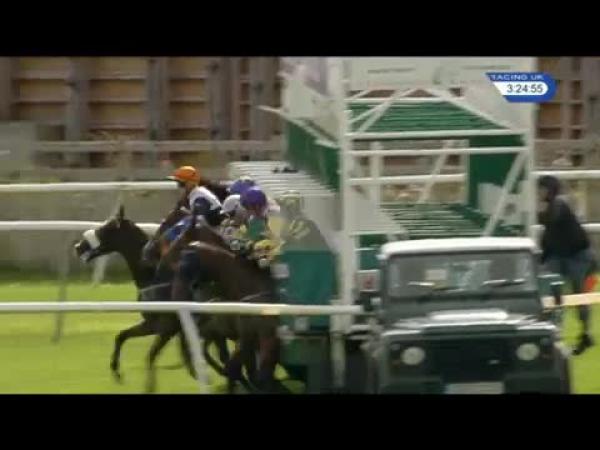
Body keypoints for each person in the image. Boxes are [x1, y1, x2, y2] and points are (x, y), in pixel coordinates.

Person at [538, 174, 598, 355]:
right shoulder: (553, 205)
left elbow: (551, 220)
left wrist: (539, 213)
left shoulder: (559, 204)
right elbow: (550, 235)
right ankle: (553, 332)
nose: (539, 192)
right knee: (551, 292)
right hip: (562, 255)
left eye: (542, 188)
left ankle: (584, 333)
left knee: (579, 296)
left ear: (550, 190)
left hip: (577, 256)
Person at [142, 166, 223, 265]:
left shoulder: (199, 196)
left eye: (181, 184)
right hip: (209, 227)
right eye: (178, 183)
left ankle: (169, 266)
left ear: (191, 183)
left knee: (169, 240)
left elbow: (200, 221)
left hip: (213, 231)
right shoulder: (195, 193)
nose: (179, 187)